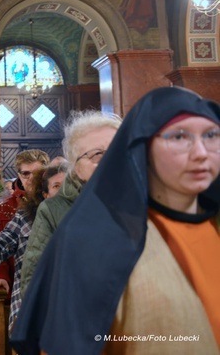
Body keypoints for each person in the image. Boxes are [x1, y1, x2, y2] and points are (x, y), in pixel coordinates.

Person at [12, 87, 220, 354]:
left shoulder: (191, 213)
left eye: (121, 149)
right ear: (75, 167)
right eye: (98, 155)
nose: (115, 161)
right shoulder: (75, 227)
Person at [19, 111, 121, 295]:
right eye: (97, 155)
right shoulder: (53, 210)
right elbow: (35, 281)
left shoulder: (151, 202)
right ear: (76, 166)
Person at [0, 163, 67, 330]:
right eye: (56, 186)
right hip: (29, 307)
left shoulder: (88, 219)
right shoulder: (25, 218)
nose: (63, 191)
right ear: (45, 194)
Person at [0, 150, 49, 300]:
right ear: (19, 175)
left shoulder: (58, 201)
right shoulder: (5, 209)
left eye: (37, 173)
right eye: (26, 174)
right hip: (19, 284)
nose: (32, 179)